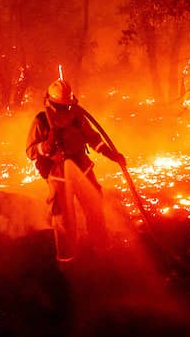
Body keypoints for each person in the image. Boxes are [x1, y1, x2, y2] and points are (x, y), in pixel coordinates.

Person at [26, 78, 126, 266]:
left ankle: (102, 250)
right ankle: (67, 260)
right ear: (51, 103)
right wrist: (46, 146)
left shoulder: (77, 116)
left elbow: (93, 139)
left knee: (95, 208)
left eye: (67, 106)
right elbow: (30, 151)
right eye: (61, 106)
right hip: (58, 174)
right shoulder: (41, 121)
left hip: (82, 169)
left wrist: (112, 155)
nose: (65, 111)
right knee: (63, 220)